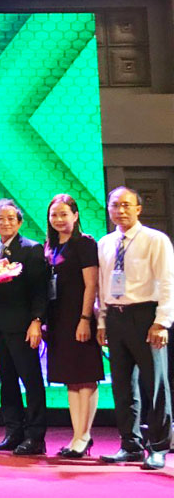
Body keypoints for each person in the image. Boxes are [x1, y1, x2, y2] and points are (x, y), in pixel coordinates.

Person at [97, 186, 172, 470]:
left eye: (127, 205)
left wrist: (162, 322)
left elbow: (167, 283)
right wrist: (102, 320)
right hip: (115, 318)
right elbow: (104, 285)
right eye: (115, 205)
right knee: (122, 386)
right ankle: (130, 444)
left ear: (138, 209)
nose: (121, 210)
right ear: (109, 209)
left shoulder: (155, 240)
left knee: (155, 385)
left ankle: (159, 447)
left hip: (146, 316)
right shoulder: (105, 243)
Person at [0, 199, 49, 456]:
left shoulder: (32, 249)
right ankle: (13, 432)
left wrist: (37, 321)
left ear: (19, 222)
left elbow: (40, 290)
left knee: (31, 381)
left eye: (11, 218)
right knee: (7, 381)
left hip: (23, 327)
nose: (6, 222)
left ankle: (35, 437)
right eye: (1, 219)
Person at [43, 194, 101, 458]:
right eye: (54, 214)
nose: (58, 219)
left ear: (75, 215)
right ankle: (77, 435)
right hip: (58, 321)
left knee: (85, 376)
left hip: (80, 318)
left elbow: (92, 284)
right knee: (71, 380)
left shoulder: (85, 243)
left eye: (64, 214)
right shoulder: (51, 246)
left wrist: (85, 319)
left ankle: (85, 435)